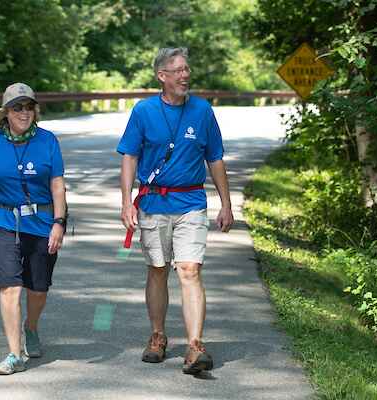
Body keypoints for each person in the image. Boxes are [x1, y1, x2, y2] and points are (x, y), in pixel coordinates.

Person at [117, 48, 234, 375]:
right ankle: (158, 335)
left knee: (190, 270)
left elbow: (215, 159)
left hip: (191, 203)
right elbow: (129, 157)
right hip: (154, 203)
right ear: (162, 76)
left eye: (187, 69)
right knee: (158, 269)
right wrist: (127, 201)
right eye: (178, 70)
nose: (186, 76)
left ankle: (195, 345)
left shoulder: (202, 110)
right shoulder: (143, 112)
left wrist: (226, 203)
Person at [0, 82, 67, 375]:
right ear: (6, 113)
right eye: (17, 107)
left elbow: (57, 185)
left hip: (41, 222)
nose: (24, 112)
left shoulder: (48, 140)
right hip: (3, 221)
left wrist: (59, 223)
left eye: (29, 107)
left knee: (37, 288)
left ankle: (31, 327)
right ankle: (14, 354)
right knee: (9, 285)